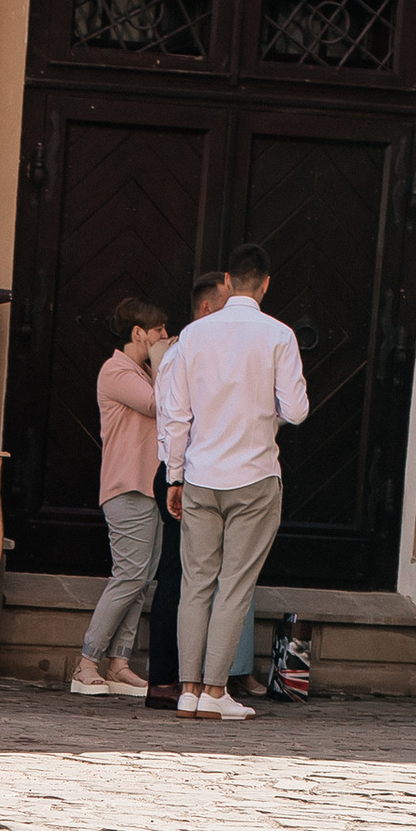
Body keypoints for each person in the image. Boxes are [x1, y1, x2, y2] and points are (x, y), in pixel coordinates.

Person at [160, 242, 307, 723]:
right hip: (254, 473)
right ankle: (216, 689)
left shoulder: (194, 337)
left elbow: (175, 415)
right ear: (265, 284)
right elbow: (297, 410)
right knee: (235, 587)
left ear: (227, 280)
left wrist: (174, 475)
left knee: (195, 585)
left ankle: (187, 690)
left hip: (200, 474)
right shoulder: (279, 335)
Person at [144, 269, 231, 708]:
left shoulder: (205, 348)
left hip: (196, 469)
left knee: (192, 576)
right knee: (178, 576)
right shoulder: (185, 352)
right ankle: (166, 679)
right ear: (206, 307)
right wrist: (176, 477)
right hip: (185, 469)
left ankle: (185, 680)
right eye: (227, 303)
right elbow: (176, 420)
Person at [75, 297, 166, 695]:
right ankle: (86, 663)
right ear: (138, 333)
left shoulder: (143, 371)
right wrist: (165, 362)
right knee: (128, 576)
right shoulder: (117, 370)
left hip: (150, 488)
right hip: (127, 487)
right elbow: (158, 404)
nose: (165, 335)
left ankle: (119, 663)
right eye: (159, 330)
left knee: (142, 580)